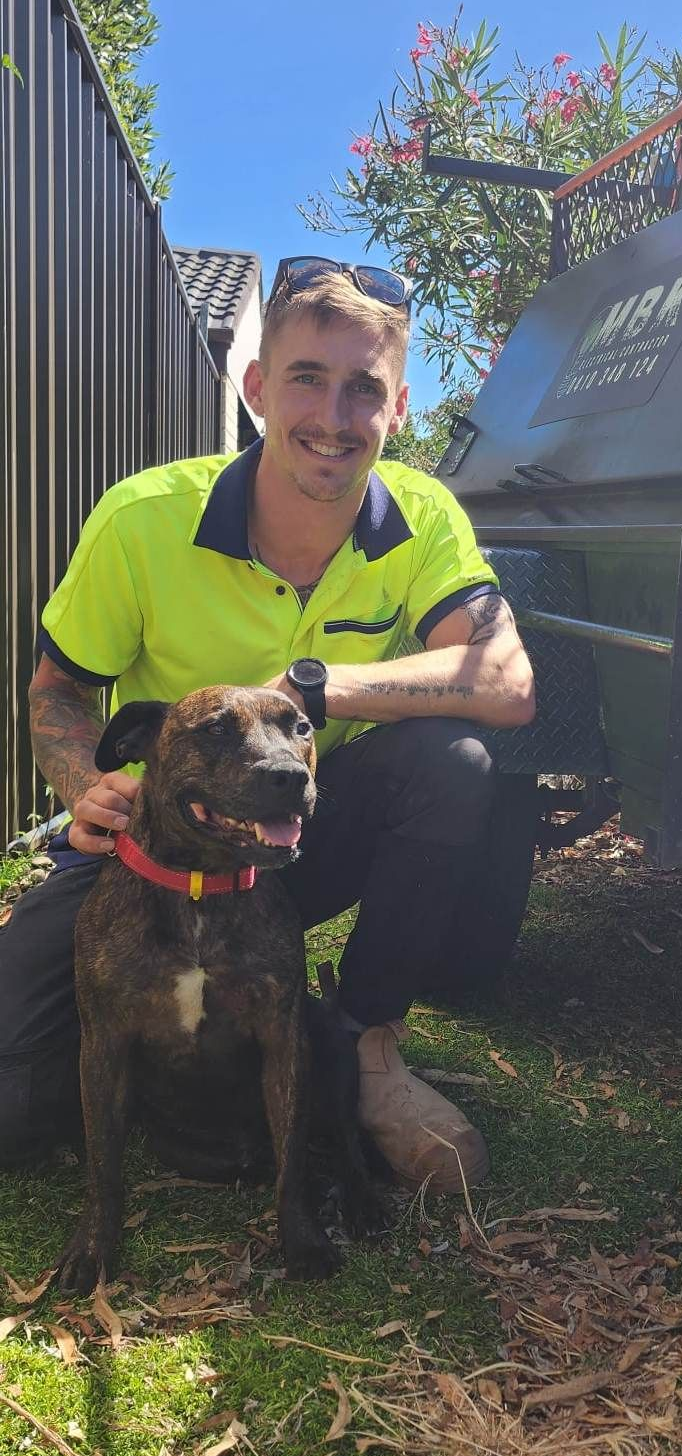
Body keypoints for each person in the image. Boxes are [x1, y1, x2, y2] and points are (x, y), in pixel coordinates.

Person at [0, 255, 535, 1191]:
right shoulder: (143, 520)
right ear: (256, 387)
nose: (333, 418)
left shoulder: (422, 516)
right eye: (307, 379)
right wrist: (87, 788)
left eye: (364, 389)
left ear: (398, 407)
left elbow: (505, 678)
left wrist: (312, 688)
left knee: (451, 760)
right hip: (151, 851)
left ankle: (367, 1045)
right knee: (17, 1095)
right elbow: (55, 692)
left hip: (298, 836)